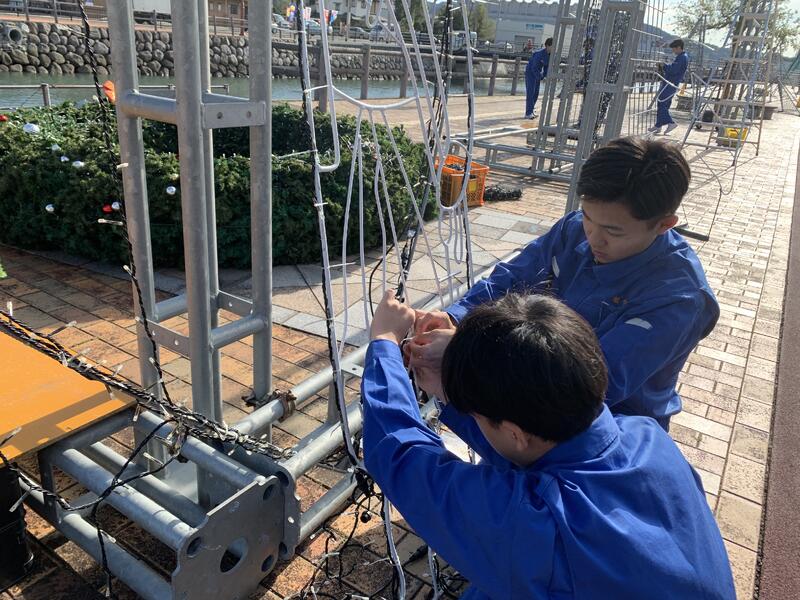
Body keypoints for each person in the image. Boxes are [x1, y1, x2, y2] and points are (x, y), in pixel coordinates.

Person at [362, 291, 735, 599]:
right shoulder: (645, 435)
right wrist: (459, 386)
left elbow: (400, 455)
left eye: (476, 416)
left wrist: (384, 343)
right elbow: (532, 449)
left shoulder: (536, 527)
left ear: (515, 433)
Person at [408, 137, 719, 431]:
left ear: (664, 225)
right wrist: (455, 317)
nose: (594, 238)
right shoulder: (573, 230)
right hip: (528, 393)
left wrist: (466, 352)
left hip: (608, 429)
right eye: (587, 217)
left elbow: (590, 384)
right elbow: (511, 279)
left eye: (613, 231)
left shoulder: (678, 298)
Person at [650, 39, 689, 135]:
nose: (673, 51)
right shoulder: (682, 57)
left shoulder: (682, 57)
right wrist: (663, 66)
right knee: (664, 104)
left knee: (662, 102)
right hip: (671, 83)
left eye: (674, 49)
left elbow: (673, 70)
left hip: (671, 83)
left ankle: (670, 122)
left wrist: (664, 65)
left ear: (679, 47)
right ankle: (658, 125)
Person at [525, 37, 553, 119]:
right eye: (553, 46)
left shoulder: (550, 55)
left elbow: (546, 67)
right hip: (531, 73)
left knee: (536, 93)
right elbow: (533, 67)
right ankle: (528, 113)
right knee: (531, 93)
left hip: (538, 73)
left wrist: (545, 76)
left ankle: (531, 110)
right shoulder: (539, 54)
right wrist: (540, 77)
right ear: (547, 46)